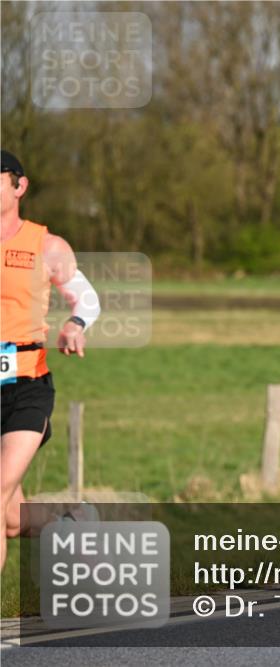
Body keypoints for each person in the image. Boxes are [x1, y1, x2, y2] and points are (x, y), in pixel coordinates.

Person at [1, 149, 101, 568]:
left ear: (19, 186)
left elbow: (87, 298)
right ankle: (70, 525)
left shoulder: (47, 246)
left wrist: (75, 323)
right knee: (10, 520)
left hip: (26, 389)